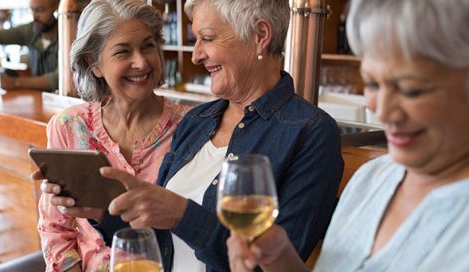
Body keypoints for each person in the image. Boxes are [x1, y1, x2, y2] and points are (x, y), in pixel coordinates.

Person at [226, 0, 469, 271]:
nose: (381, 110)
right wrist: (283, 261)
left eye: (411, 88)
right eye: (372, 83)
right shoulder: (375, 178)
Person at [43, 0, 344, 271]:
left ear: (260, 36)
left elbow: (275, 264)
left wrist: (182, 215)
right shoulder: (199, 120)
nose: (197, 55)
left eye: (208, 39)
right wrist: (101, 213)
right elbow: (157, 240)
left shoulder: (312, 133)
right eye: (196, 39)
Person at [34, 0, 188, 271]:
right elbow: (55, 229)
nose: (140, 62)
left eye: (148, 46)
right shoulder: (70, 126)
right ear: (93, 64)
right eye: (123, 52)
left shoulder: (189, 127)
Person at [0, 0, 60, 92]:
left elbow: (57, 79)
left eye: (40, 10)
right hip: (38, 99)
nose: (35, 16)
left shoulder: (67, 34)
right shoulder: (31, 30)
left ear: (56, 6)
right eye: (32, 10)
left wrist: (14, 82)